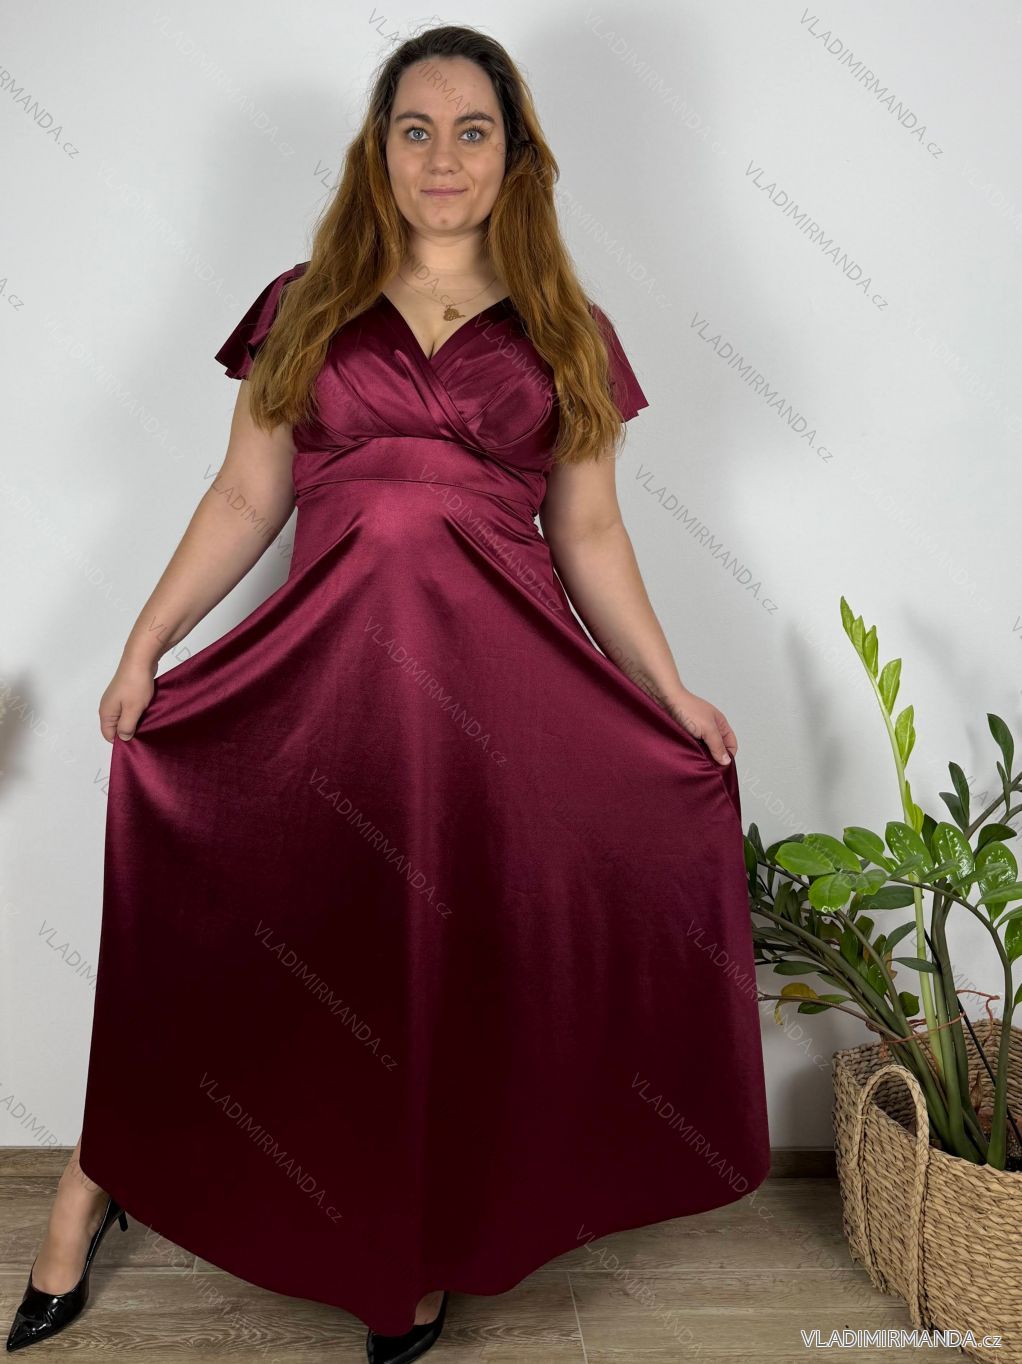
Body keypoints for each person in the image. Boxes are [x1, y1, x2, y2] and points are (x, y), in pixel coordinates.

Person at [7, 23, 770, 1364]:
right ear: (379, 150)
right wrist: (143, 648)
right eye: (415, 129)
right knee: (247, 946)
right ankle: (97, 1179)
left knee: (447, 979)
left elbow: (589, 534)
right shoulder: (304, 303)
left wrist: (668, 690)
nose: (442, 158)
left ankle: (413, 1252)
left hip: (496, 715)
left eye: (472, 132)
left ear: (514, 158)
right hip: (328, 698)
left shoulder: (567, 332)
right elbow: (244, 497)